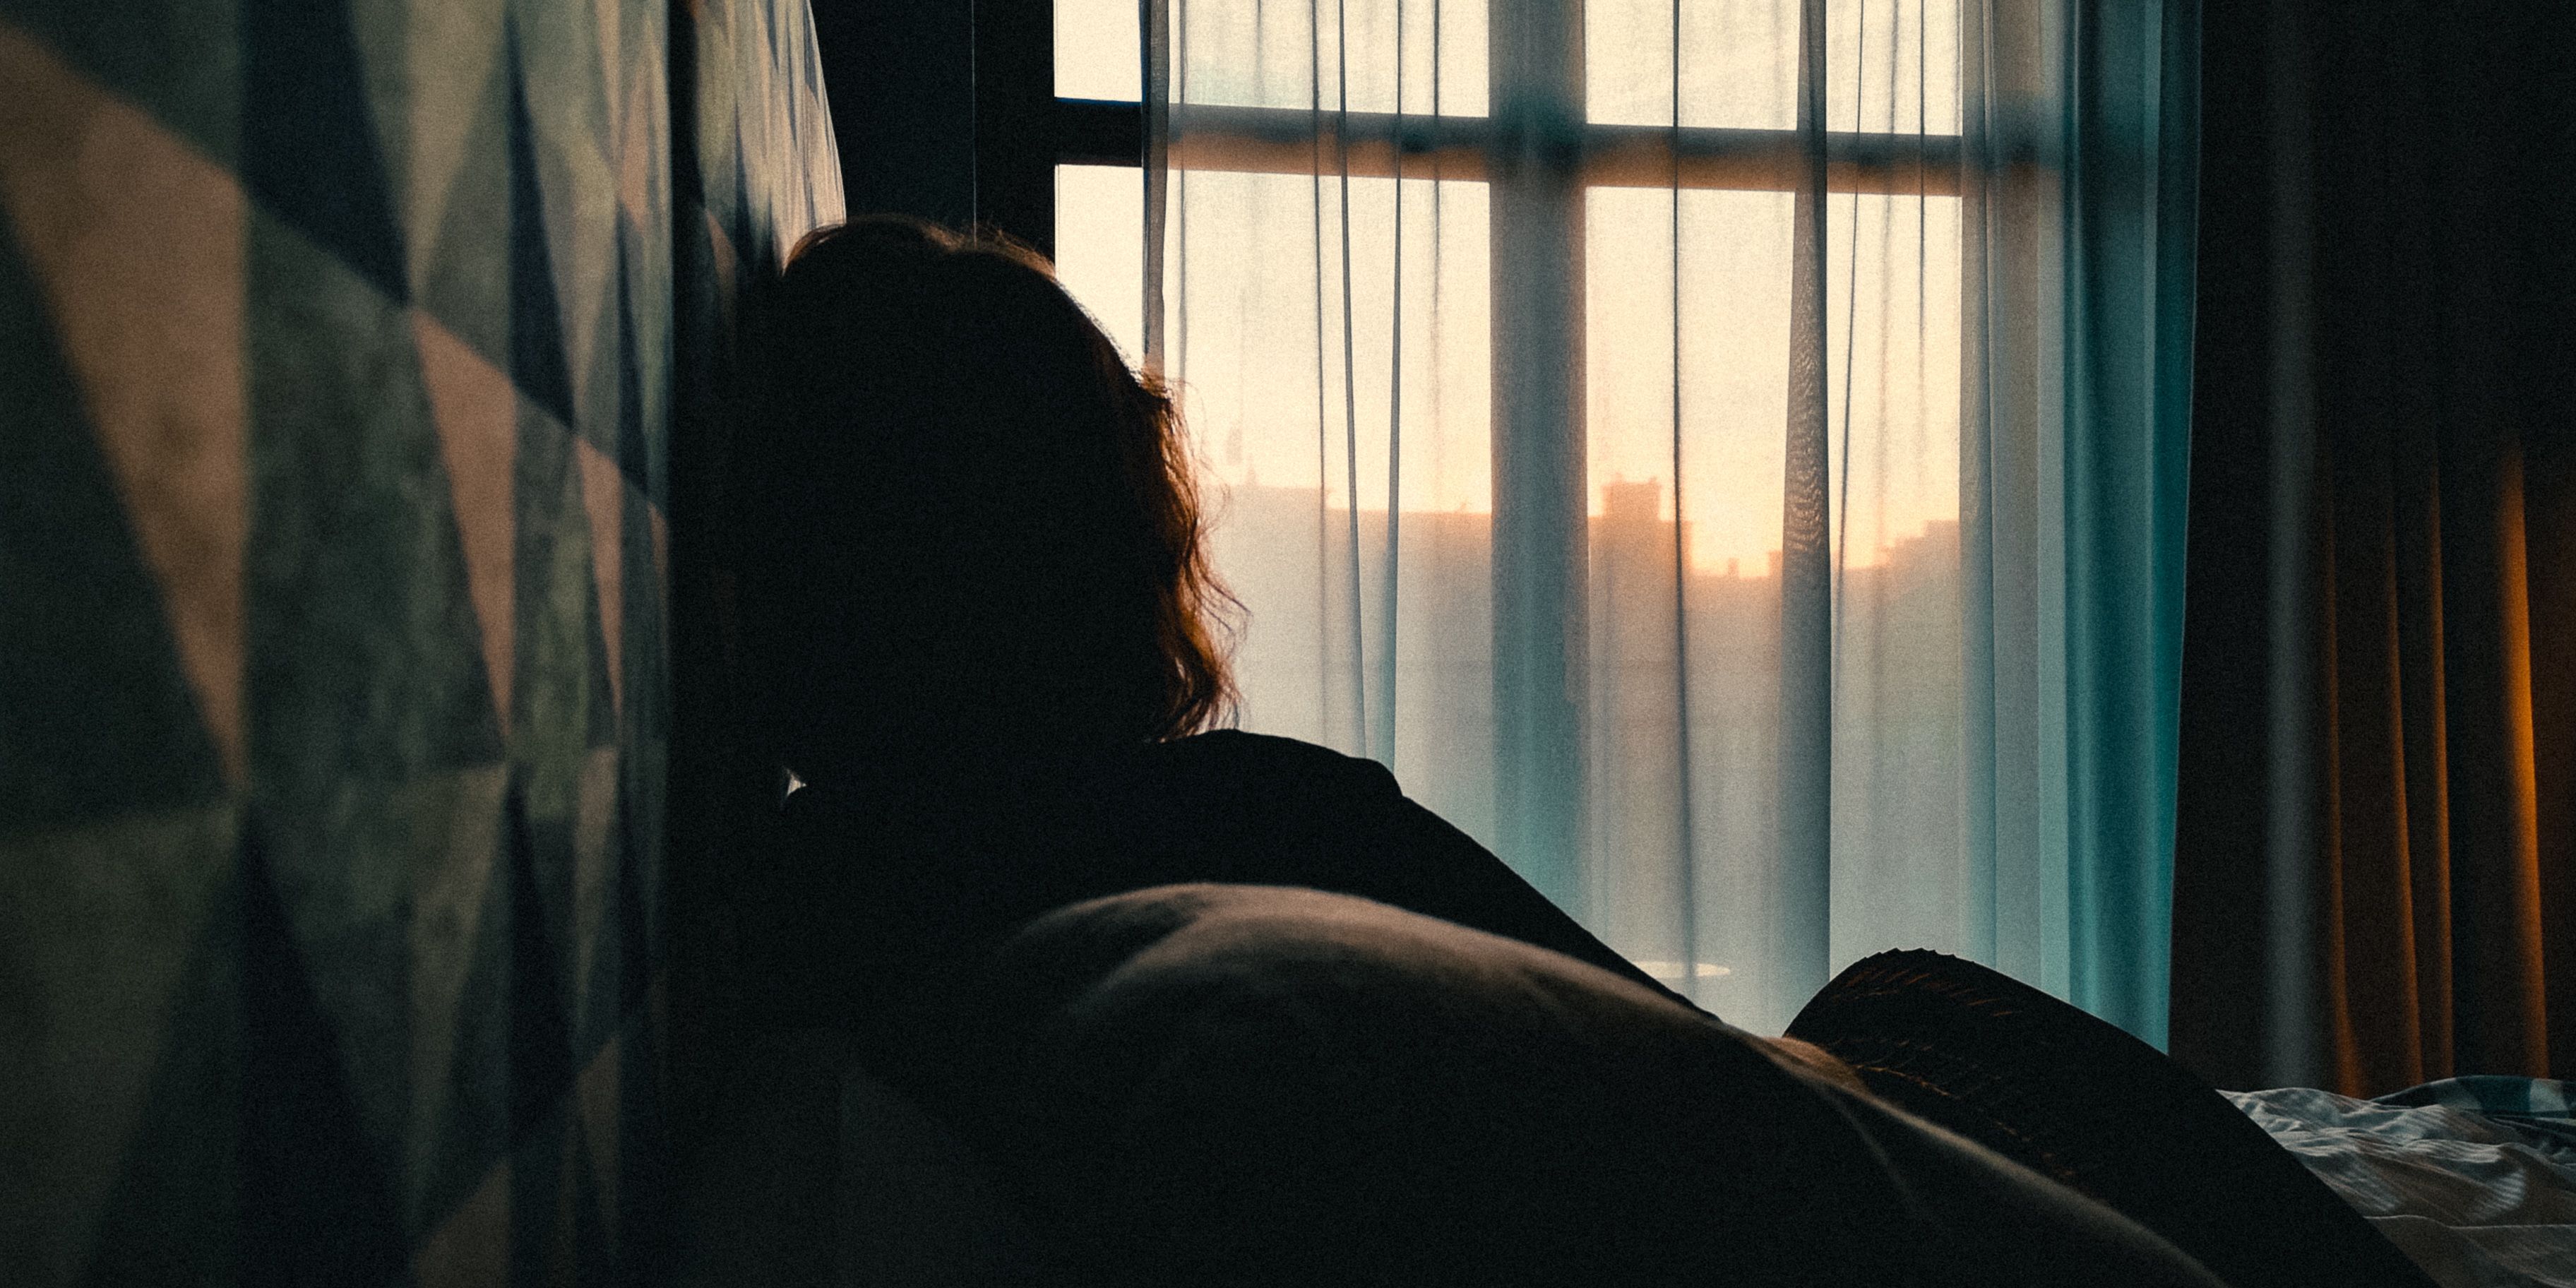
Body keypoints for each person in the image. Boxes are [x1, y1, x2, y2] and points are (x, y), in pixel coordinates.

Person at [722, 216, 2435, 1287]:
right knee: (1906, 1000)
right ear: (1093, 542)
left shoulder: (808, 900)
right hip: (1850, 1127)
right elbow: (1688, 1052)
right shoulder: (1256, 813)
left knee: (1898, 1006)